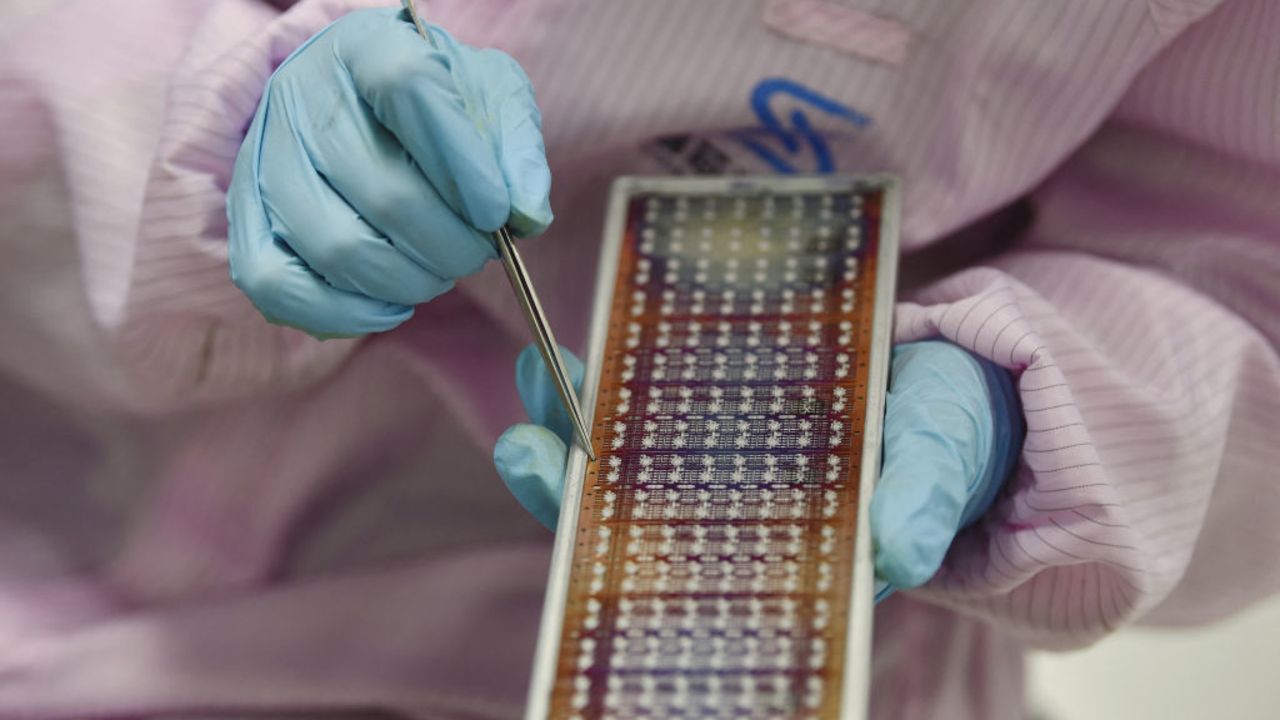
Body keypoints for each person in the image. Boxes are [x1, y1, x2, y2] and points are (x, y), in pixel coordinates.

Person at [0, 1, 1277, 718]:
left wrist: (1026, 413)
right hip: (57, 504)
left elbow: (1244, 261)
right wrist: (205, 151)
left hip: (734, 666)